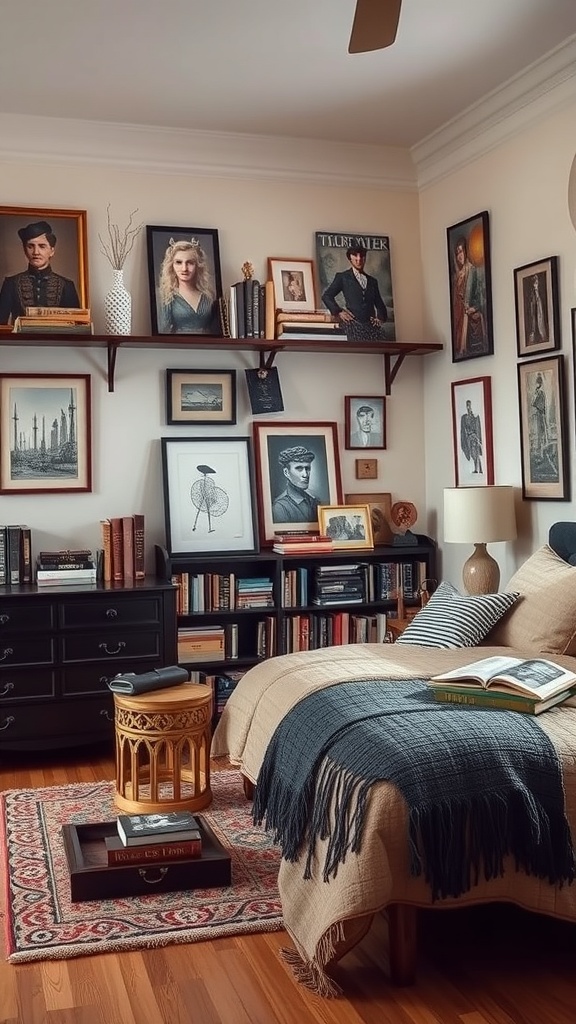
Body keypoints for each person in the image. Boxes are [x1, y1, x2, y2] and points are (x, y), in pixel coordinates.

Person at [0, 220, 80, 325]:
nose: (36, 252)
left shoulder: (67, 285)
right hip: (20, 342)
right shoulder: (10, 283)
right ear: (24, 250)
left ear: (52, 251)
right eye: (30, 246)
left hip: (58, 341)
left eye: (42, 246)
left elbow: (77, 327)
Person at [321, 244, 388, 340]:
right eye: (355, 256)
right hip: (352, 324)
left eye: (361, 256)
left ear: (365, 258)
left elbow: (379, 303)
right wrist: (339, 311)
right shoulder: (343, 277)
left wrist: (380, 318)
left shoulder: (372, 281)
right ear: (350, 258)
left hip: (370, 327)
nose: (359, 259)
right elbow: (327, 296)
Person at [157, 238, 218, 334]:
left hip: (208, 347)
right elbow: (163, 331)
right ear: (171, 265)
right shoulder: (167, 297)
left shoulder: (208, 296)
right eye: (178, 262)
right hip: (178, 346)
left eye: (190, 263)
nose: (184, 268)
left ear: (198, 265)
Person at [451, 235, 487, 357]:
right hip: (458, 315)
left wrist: (474, 308)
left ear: (466, 251)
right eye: (457, 253)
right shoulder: (458, 276)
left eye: (461, 251)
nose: (459, 256)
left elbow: (480, 296)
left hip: (467, 314)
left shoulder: (472, 271)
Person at [271, 445, 322, 523]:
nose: (305, 475)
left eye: (307, 468)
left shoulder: (314, 502)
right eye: (299, 468)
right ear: (286, 472)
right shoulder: (280, 507)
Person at [460, 399, 483, 474]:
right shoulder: (465, 417)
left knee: (475, 453)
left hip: (474, 437)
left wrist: (477, 438)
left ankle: (479, 469)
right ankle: (477, 469)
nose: (468, 407)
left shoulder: (474, 417)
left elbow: (477, 428)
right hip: (469, 437)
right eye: (467, 405)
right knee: (473, 455)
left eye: (469, 405)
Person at [526, 273, 548, 345]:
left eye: (536, 282)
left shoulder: (540, 291)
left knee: (540, 319)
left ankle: (542, 336)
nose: (535, 284)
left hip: (539, 308)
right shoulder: (530, 292)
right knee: (533, 321)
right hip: (533, 308)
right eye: (534, 282)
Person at [531, 372, 548, 458]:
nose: (537, 384)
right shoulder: (536, 392)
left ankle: (541, 452)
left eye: (538, 383)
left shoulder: (540, 393)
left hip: (539, 414)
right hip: (536, 414)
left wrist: (542, 412)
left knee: (540, 433)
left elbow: (536, 404)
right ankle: (538, 452)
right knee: (536, 433)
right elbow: (532, 403)